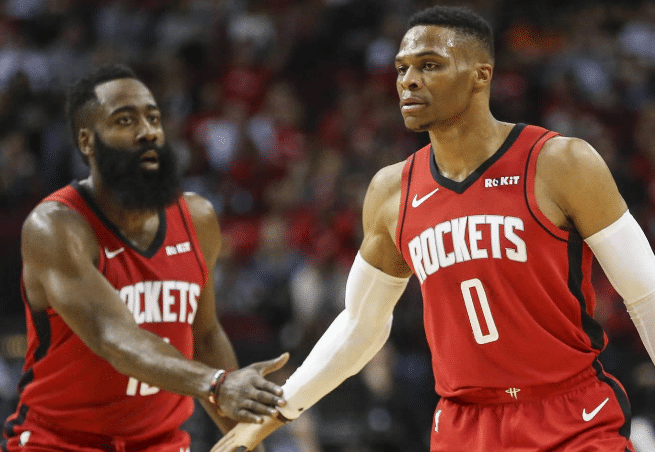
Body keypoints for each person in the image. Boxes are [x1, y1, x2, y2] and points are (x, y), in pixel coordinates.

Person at [213, 5, 655, 452]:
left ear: (480, 75)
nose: (408, 80)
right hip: (464, 425)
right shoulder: (392, 192)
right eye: (401, 68)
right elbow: (360, 326)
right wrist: (273, 413)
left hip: (571, 416)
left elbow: (646, 292)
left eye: (429, 65)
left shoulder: (561, 163)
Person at [1, 63, 290, 452]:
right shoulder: (55, 227)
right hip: (60, 443)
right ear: (87, 141)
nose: (148, 131)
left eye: (153, 118)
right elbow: (113, 339)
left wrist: (246, 440)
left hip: (161, 443)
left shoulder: (197, 219)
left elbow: (205, 337)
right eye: (125, 120)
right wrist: (217, 385)